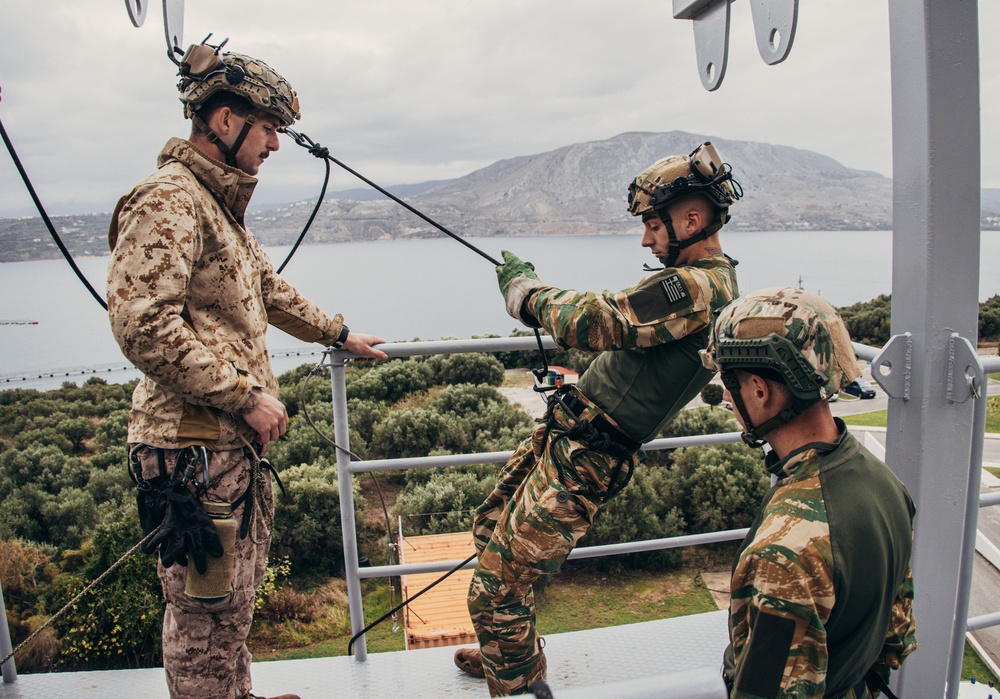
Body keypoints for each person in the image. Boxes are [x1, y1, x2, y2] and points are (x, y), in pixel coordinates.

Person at [107, 42, 387, 699]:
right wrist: (245, 397)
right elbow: (142, 324)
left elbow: (268, 289)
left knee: (228, 607)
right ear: (225, 122)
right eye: (269, 129)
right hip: (192, 452)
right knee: (201, 620)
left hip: (221, 449)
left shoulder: (214, 207)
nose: (277, 146)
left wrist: (339, 333)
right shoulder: (169, 199)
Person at [457, 143, 743, 696]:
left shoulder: (700, 287)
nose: (645, 238)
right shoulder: (695, 281)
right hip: (567, 435)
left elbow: (600, 320)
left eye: (652, 225)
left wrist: (525, 293)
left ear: (690, 218)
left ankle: (518, 683)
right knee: (491, 527)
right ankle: (509, 650)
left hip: (587, 457)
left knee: (495, 589)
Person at [700, 287, 917, 698]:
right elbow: (896, 634)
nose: (726, 395)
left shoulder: (784, 552)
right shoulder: (884, 482)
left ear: (760, 391)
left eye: (729, 383)